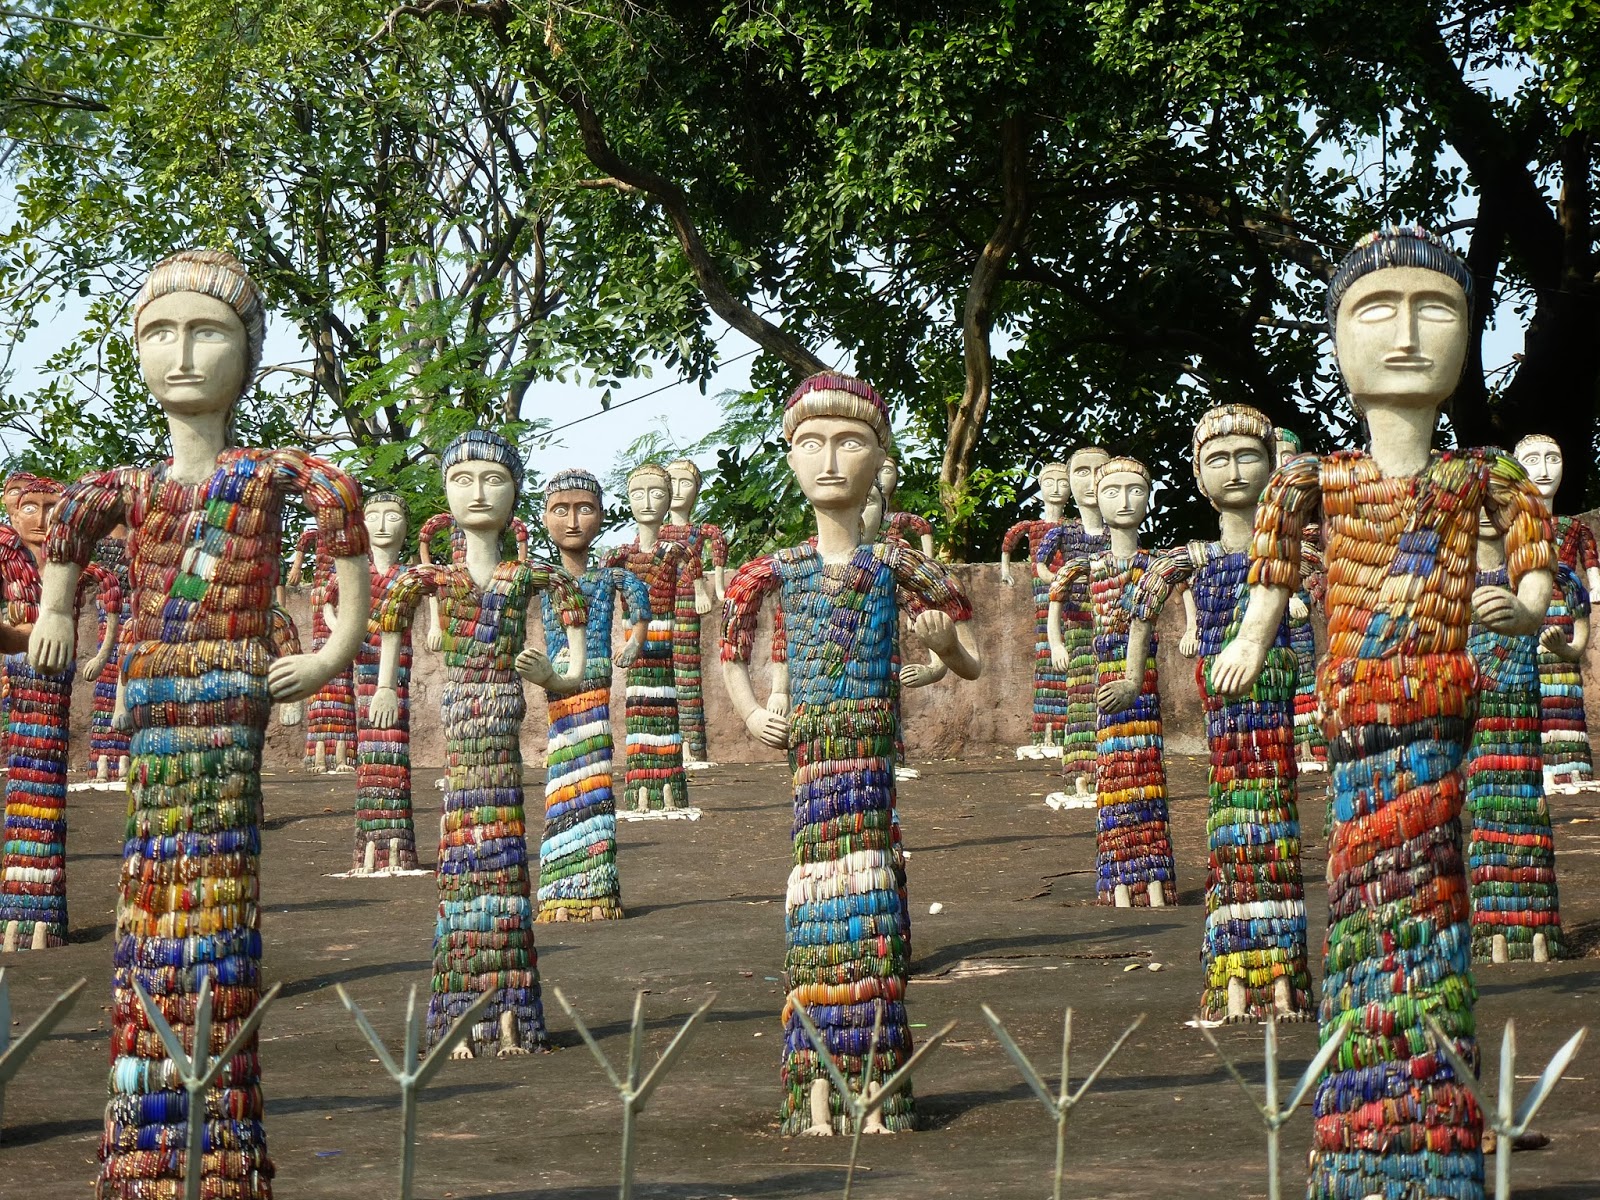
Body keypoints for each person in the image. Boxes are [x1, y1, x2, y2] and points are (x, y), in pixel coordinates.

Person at [1210, 226, 1554, 1200]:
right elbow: (1271, 579)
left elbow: (1534, 564)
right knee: (1361, 906)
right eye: (1376, 309)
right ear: (1337, 341)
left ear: (1468, 336)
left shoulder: (1476, 476)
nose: (1405, 334)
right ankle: (1365, 1126)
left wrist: (1519, 610)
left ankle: (1432, 1126)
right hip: (1359, 723)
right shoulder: (1312, 478)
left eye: (1433, 309)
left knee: (1432, 903)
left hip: (1438, 716)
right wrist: (1247, 638)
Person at [32, 247, 372, 1198]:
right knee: (150, 899)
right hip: (153, 711)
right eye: (159, 333)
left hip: (228, 707)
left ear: (249, 351)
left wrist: (333, 652)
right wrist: (59, 612)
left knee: (216, 911)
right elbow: (66, 535)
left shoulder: (281, 478)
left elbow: (347, 561)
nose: (182, 353)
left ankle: (216, 1138)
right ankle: (141, 1148)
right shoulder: (121, 491)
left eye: (207, 330)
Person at [721, 372, 980, 1135]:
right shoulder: (773, 570)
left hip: (869, 764)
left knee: (866, 902)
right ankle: (817, 1091)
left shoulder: (899, 567)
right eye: (811, 443)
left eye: (850, 442)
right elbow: (731, 650)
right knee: (814, 912)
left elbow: (965, 655)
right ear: (791, 457)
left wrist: (942, 647)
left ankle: (874, 1089)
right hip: (810, 763)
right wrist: (753, 713)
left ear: (879, 456)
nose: (830, 460)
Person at [370, 430, 587, 1056]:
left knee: (503, 850)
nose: (479, 492)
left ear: (516, 492)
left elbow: (574, 663)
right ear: (444, 493)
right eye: (463, 480)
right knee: (462, 852)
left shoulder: (530, 576)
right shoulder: (430, 578)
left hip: (503, 721)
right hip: (462, 720)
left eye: (493, 479)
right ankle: (461, 1007)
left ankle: (512, 1006)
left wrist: (552, 675)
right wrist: (387, 687)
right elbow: (390, 624)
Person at [1120, 405, 1310, 1019]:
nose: (1233, 469)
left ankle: (1283, 979)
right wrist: (1129, 676)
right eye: (1217, 459)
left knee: (1274, 824)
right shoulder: (1193, 558)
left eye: (1246, 455)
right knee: (1231, 821)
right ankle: (1234, 975)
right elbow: (1143, 603)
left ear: (1270, 466)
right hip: (1224, 714)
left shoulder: (1284, 550)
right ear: (1199, 477)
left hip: (1274, 699)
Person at [536, 468, 649, 920]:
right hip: (557, 685)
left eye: (585, 509)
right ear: (545, 518)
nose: (573, 520)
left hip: (597, 682)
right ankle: (561, 887)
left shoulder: (610, 579)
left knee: (594, 777)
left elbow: (639, 607)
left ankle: (596, 886)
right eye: (560, 510)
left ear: (601, 516)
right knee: (562, 779)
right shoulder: (540, 579)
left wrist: (633, 642)